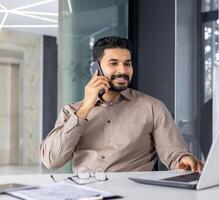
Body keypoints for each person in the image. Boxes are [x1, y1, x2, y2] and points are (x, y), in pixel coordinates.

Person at [40, 36, 204, 173]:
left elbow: (174, 153)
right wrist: (85, 110)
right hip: (86, 193)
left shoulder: (153, 107)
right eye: (113, 63)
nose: (123, 70)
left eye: (127, 63)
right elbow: (52, 160)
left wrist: (184, 159)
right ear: (95, 68)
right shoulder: (72, 111)